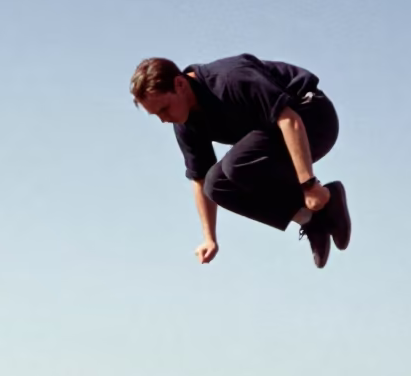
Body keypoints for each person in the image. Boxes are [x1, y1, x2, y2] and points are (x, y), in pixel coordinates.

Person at [130, 54, 350, 269]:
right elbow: (200, 178)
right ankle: (311, 220)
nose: (163, 119)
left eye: (164, 108)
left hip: (313, 118)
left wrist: (308, 185)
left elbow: (289, 119)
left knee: (236, 166)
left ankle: (329, 197)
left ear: (179, 84)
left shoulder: (230, 78)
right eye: (156, 115)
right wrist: (209, 238)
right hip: (277, 137)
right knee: (216, 184)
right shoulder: (185, 122)